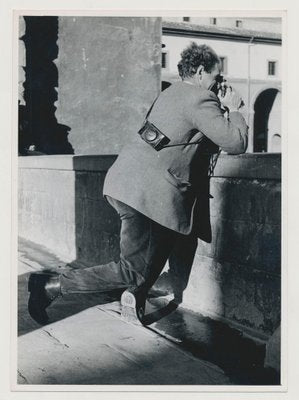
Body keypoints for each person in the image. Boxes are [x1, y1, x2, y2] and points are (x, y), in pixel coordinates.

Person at [28, 42, 248, 325]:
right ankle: (53, 286)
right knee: (131, 268)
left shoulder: (169, 94)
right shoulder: (200, 99)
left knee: (164, 239)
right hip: (148, 194)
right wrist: (235, 109)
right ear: (202, 72)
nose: (218, 85)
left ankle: (135, 296)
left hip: (127, 182)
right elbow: (236, 143)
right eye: (217, 78)